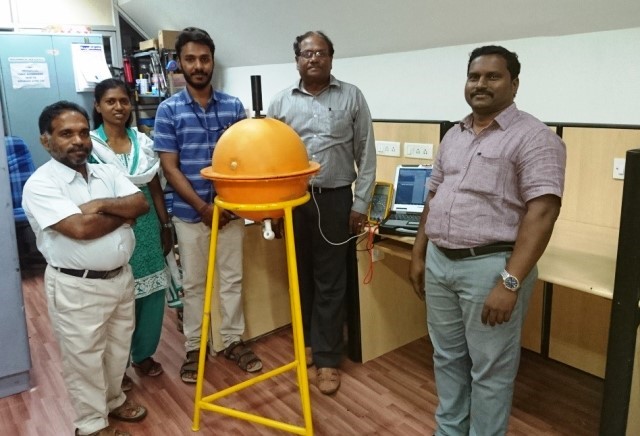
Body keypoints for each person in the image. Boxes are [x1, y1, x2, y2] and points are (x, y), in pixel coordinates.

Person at [409, 45, 566, 435]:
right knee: (447, 358)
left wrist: (510, 281)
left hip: (491, 268)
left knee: (491, 369)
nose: (481, 84)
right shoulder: (454, 135)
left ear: (513, 83)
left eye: (492, 76)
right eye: (474, 76)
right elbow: (434, 196)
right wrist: (418, 254)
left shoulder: (534, 137)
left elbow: (543, 213)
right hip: (440, 262)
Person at [22, 101, 150, 436]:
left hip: (120, 278)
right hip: (77, 285)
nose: (78, 140)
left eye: (82, 132)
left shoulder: (105, 172)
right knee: (84, 357)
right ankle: (91, 424)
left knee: (117, 348)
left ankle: (113, 400)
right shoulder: (41, 184)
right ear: (46, 140)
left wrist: (102, 204)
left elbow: (140, 203)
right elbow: (80, 230)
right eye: (66, 134)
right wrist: (122, 215)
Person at [267, 30, 376, 395]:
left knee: (331, 280)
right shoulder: (280, 103)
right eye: (306, 53)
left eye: (321, 52)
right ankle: (312, 342)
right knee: (301, 276)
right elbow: (270, 159)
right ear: (296, 58)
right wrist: (273, 210)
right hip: (294, 201)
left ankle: (328, 359)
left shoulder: (352, 97)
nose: (313, 58)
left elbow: (366, 154)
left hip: (334, 200)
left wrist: (360, 203)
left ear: (332, 56)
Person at [153, 26, 262, 383]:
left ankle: (232, 340)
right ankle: (195, 348)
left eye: (204, 58)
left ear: (212, 61)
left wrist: (230, 205)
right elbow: (170, 167)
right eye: (190, 59)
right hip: (190, 215)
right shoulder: (168, 111)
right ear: (179, 64)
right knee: (195, 285)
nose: (198, 65)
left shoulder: (233, 107)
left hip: (230, 213)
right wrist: (202, 206)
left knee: (231, 280)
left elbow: (244, 161)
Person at [90, 78, 175, 389]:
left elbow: (154, 185)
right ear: (98, 106)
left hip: (147, 224)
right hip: (111, 225)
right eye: (110, 101)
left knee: (151, 294)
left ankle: (144, 354)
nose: (118, 107)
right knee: (117, 298)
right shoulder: (90, 146)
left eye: (124, 101)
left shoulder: (143, 142)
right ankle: (118, 365)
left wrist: (165, 225)